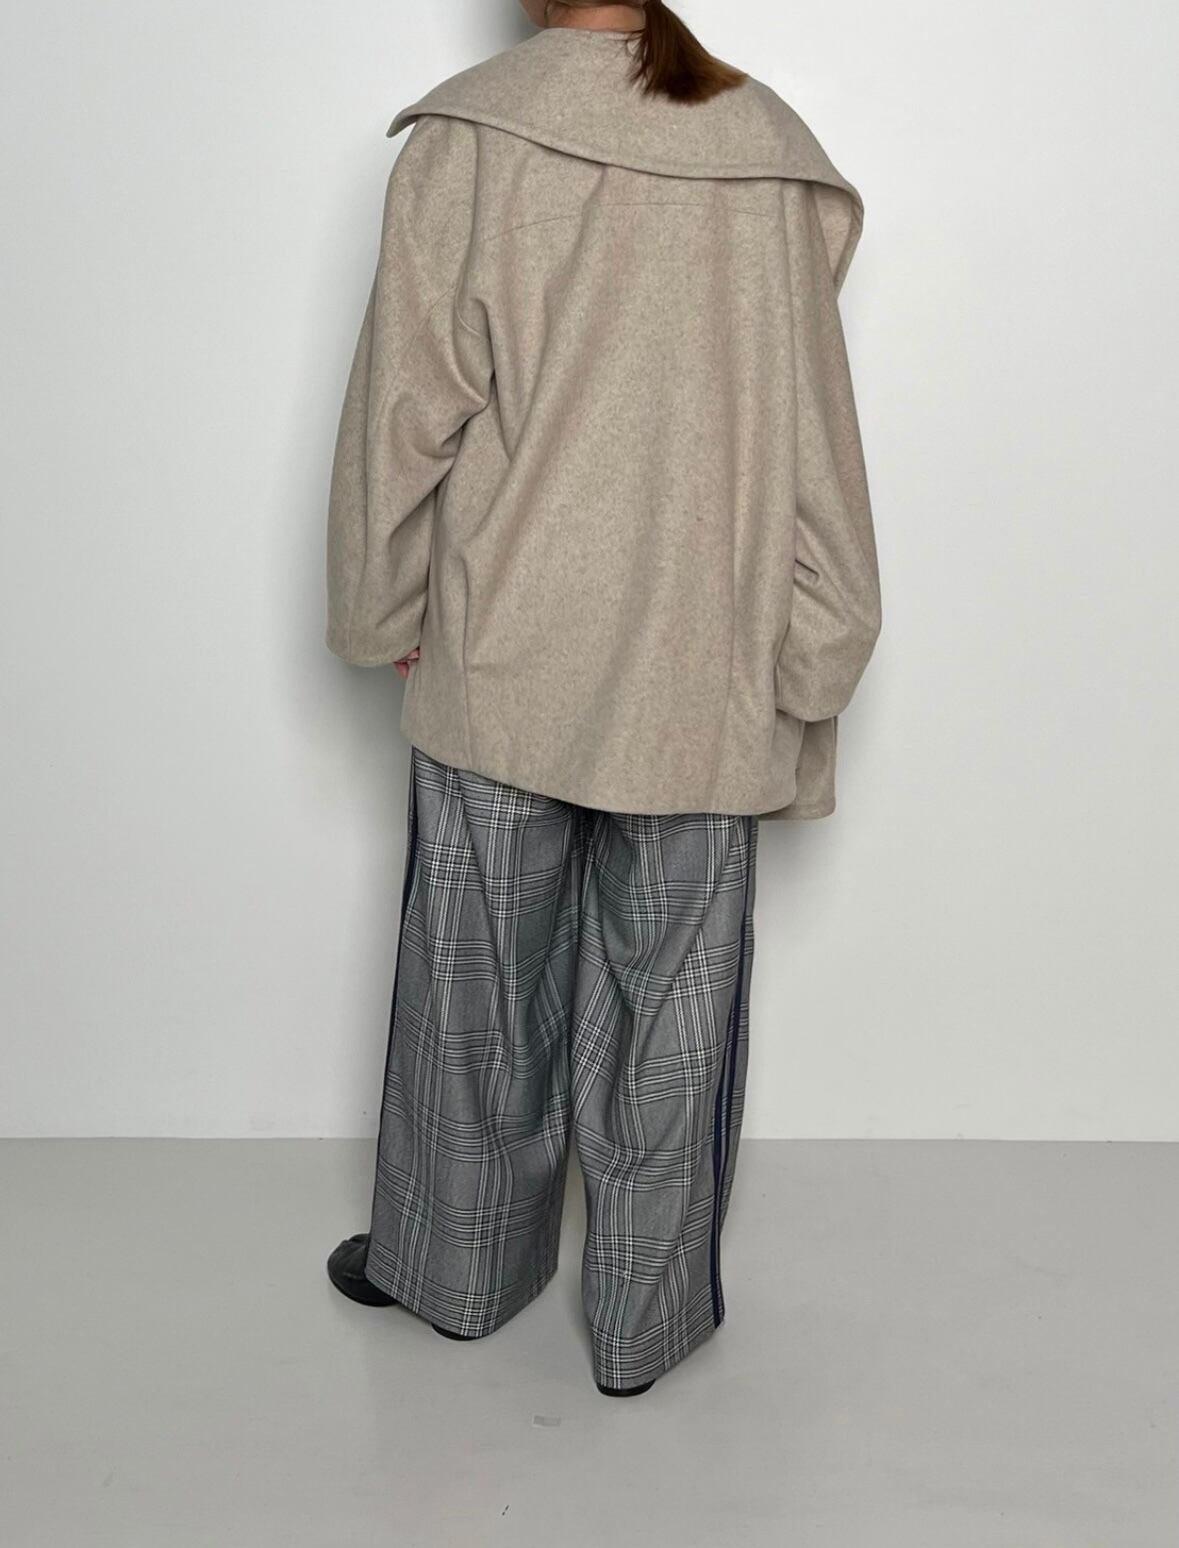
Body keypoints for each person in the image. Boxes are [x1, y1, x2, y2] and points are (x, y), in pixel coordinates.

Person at [323, 0, 881, 1398]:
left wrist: (383, 605)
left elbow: (402, 413)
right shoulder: (765, 147)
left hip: (507, 641)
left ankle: (457, 1274)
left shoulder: (471, 137)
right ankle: (646, 1321)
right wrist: (822, 647)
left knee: (477, 987)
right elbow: (818, 433)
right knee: (674, 1008)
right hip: (708, 658)